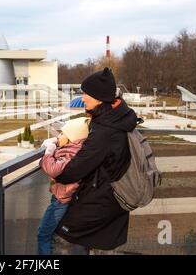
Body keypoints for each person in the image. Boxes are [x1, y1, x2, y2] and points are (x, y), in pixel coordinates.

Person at [54, 67, 138, 255]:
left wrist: (56, 172)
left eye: (86, 94)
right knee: (102, 246)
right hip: (115, 197)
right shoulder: (119, 118)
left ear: (99, 98)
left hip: (101, 199)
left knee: (61, 239)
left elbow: (76, 169)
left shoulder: (105, 130)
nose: (83, 98)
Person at [37, 117, 90, 255]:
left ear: (72, 137)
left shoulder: (71, 153)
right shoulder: (77, 148)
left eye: (62, 134)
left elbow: (53, 169)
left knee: (43, 234)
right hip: (68, 197)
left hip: (62, 199)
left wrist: (49, 152)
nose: (58, 136)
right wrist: (56, 142)